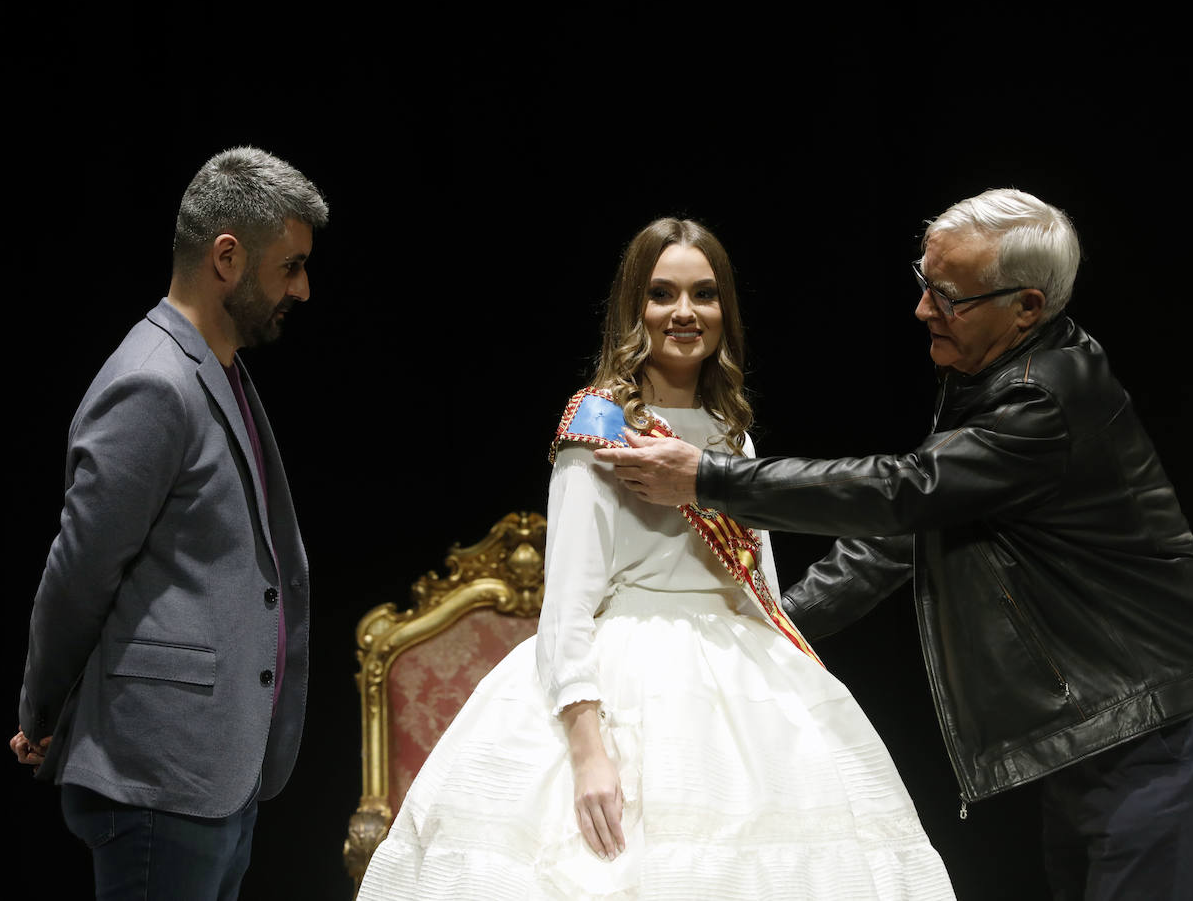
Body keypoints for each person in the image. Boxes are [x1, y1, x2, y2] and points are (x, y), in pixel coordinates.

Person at [597, 190, 1193, 900]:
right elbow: (904, 532)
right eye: (924, 282)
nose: (921, 310)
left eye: (947, 295)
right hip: (1101, 725)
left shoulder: (1046, 397)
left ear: (1026, 307)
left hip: (1161, 724)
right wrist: (773, 627)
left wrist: (709, 477)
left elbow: (903, 491)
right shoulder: (990, 379)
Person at [357, 217, 954, 900]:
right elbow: (569, 601)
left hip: (740, 678)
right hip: (625, 671)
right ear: (632, 308)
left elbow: (761, 588)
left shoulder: (735, 430)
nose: (684, 312)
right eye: (662, 293)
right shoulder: (601, 421)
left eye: (704, 293)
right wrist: (588, 753)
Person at [10, 146, 328, 900]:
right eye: (290, 267)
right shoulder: (153, 381)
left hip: (214, 772)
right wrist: (44, 709)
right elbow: (80, 571)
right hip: (159, 778)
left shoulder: (216, 368)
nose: (304, 289)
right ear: (227, 258)